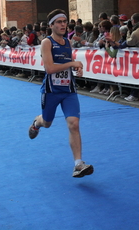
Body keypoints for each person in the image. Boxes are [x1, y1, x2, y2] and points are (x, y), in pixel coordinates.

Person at [28, 9, 93, 178]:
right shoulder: (46, 43)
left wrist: (76, 69)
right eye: (59, 22)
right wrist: (72, 63)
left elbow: (66, 65)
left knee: (74, 124)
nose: (63, 24)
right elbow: (49, 68)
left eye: (65, 21)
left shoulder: (67, 42)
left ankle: (78, 164)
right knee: (47, 123)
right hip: (51, 91)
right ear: (51, 25)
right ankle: (36, 122)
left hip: (68, 90)